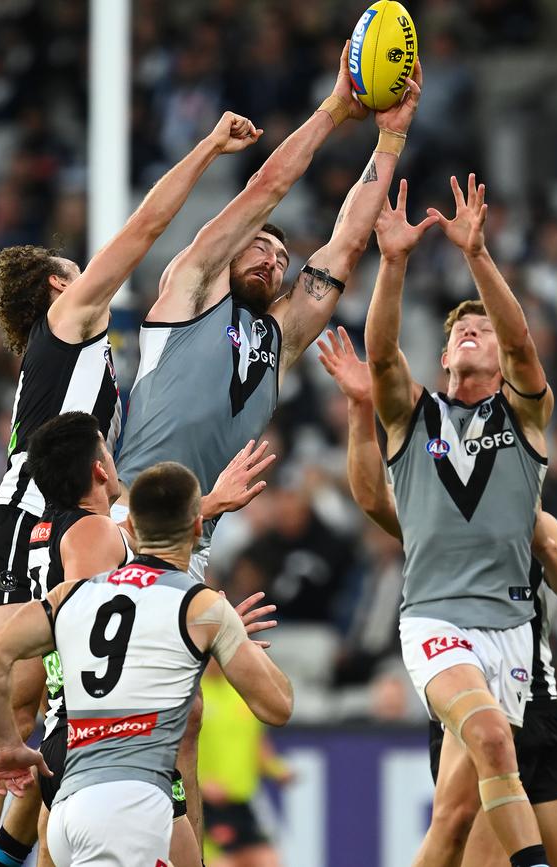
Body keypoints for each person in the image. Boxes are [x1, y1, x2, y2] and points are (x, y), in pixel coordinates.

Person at [0, 109, 264, 866]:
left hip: (58, 522)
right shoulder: (69, 317)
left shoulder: (69, 357)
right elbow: (143, 227)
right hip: (32, 521)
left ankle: (3, 850)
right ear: (56, 285)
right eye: (74, 266)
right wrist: (204, 150)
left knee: (48, 698)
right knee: (30, 693)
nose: (87, 268)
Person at [114, 45, 424, 585]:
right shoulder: (189, 291)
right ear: (230, 253)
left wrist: (390, 139)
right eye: (259, 248)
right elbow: (266, 189)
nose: (272, 261)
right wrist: (334, 109)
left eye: (282, 259)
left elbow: (346, 246)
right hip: (126, 520)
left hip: (195, 543)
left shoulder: (279, 339)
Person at [318, 327, 557, 867]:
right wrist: (362, 409)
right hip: (465, 675)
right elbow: (378, 504)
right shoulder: (443, 508)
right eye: (459, 332)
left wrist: (547, 547)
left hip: (535, 697)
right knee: (455, 828)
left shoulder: (530, 509)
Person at [364, 176, 554, 867]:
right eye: (458, 331)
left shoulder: (525, 415)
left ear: (499, 358)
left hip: (511, 630)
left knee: (457, 813)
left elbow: (527, 348)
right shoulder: (413, 417)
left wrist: (477, 254)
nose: (470, 332)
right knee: (493, 740)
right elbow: (381, 355)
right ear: (443, 357)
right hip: (437, 619)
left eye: (483, 330)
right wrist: (392, 263)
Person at [0, 461, 293, 867]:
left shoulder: (73, 594)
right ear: (197, 529)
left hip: (67, 803)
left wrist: (7, 745)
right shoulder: (202, 607)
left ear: (133, 528)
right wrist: (229, 640)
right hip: (129, 802)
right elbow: (277, 706)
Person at [199, 657, 295, 867]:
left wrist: (278, 770)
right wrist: (200, 782)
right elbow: (176, 750)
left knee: (268, 861)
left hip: (242, 801)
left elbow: (258, 745)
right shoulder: (193, 694)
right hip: (205, 805)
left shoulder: (242, 695)